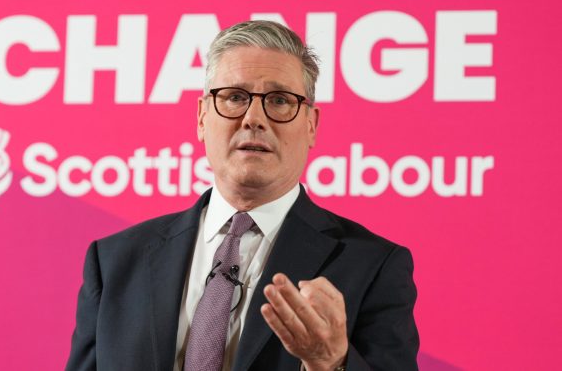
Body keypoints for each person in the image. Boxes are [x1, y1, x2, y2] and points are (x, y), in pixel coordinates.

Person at [66, 20, 419, 371]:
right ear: (202, 117)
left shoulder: (372, 266)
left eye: (280, 100)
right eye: (235, 97)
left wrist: (332, 363)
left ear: (311, 125)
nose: (254, 118)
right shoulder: (114, 262)